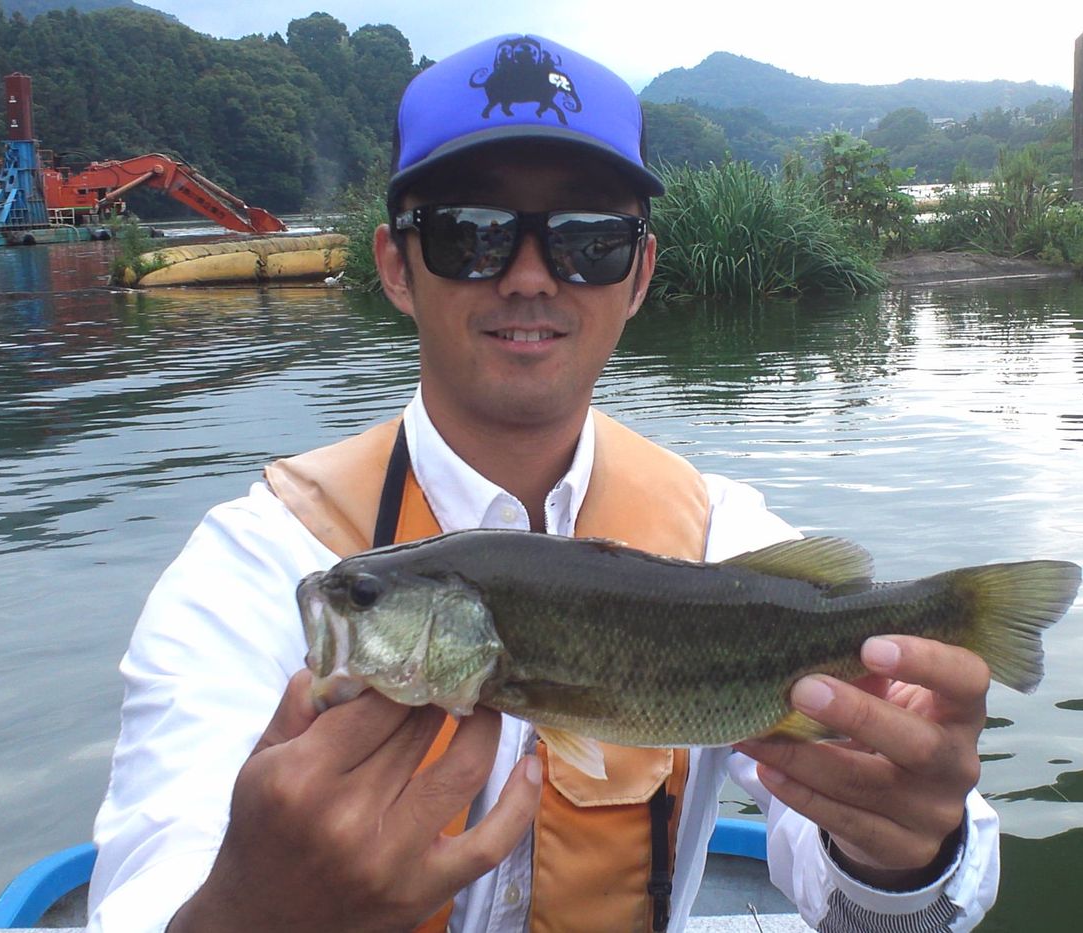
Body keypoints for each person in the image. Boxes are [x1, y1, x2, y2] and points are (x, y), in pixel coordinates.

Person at [87, 33, 999, 933]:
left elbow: (890, 916)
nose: (529, 277)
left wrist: (902, 851)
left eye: (589, 240)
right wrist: (247, 912)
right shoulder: (255, 564)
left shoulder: (726, 542)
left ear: (638, 274)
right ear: (396, 265)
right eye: (470, 234)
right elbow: (147, 884)